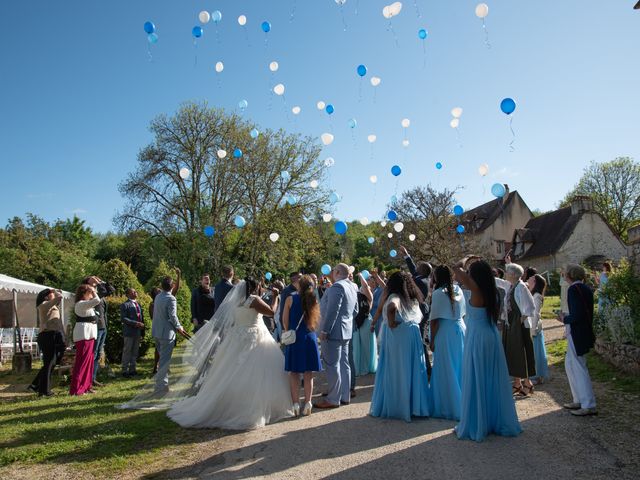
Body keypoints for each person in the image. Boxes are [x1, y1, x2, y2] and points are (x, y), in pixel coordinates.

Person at [167, 278, 294, 429]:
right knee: (255, 369)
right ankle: (250, 406)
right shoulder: (253, 300)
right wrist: (275, 297)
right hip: (253, 336)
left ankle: (229, 401)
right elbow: (271, 312)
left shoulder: (236, 302)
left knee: (232, 369)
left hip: (237, 336)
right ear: (254, 287)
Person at [453, 259, 522, 441]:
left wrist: (465, 260)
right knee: (491, 378)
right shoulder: (495, 292)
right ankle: (492, 418)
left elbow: (456, 268)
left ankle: (478, 422)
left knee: (477, 377)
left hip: (477, 337)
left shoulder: (476, 289)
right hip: (490, 335)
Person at [370, 272, 430, 422]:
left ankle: (399, 405)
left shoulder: (395, 296)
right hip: (412, 334)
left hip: (398, 335)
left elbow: (391, 306)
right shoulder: (412, 298)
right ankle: (414, 405)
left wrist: (390, 321)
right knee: (412, 368)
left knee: (397, 369)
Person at [315, 263, 358, 409]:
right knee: (344, 364)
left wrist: (325, 331)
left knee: (332, 365)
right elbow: (355, 311)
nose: (332, 273)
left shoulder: (337, 287)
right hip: (346, 330)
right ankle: (344, 396)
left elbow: (332, 311)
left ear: (338, 272)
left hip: (333, 332)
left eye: (333, 270)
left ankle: (333, 399)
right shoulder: (353, 286)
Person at [556, 264, 597, 416]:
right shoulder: (583, 288)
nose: (563, 274)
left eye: (565, 273)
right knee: (571, 365)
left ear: (570, 275)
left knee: (578, 367)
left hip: (577, 332)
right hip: (581, 331)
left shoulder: (574, 289)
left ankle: (588, 404)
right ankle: (579, 399)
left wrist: (564, 318)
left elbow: (577, 314)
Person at [428, 265, 466, 420]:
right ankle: (463, 401)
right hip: (460, 328)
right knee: (459, 365)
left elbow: (435, 320)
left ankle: (448, 405)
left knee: (446, 367)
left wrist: (432, 340)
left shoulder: (438, 294)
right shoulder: (459, 290)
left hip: (445, 331)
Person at [282, 275, 322, 417]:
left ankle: (295, 405)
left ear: (299, 285)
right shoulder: (314, 300)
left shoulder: (290, 299)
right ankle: (308, 402)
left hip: (295, 338)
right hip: (309, 337)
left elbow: (285, 322)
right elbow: (316, 323)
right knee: (308, 373)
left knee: (294, 373)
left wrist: (289, 331)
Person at [503, 263, 537, 396]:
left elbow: (530, 307)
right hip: (511, 324)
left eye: (507, 272)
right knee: (514, 353)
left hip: (519, 326)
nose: (505, 274)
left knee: (522, 352)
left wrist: (519, 321)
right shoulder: (511, 286)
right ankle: (518, 383)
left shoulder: (521, 287)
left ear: (512, 275)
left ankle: (528, 383)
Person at [152, 276, 187, 394]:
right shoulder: (171, 298)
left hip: (157, 332)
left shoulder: (158, 297)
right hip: (166, 334)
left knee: (162, 360)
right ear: (172, 286)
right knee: (164, 362)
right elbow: (172, 316)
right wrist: (179, 327)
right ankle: (161, 386)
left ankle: (161, 385)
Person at [29, 288, 66, 397]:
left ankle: (36, 385)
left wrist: (64, 335)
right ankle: (44, 391)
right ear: (46, 296)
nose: (53, 295)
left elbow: (58, 322)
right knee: (49, 363)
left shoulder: (53, 306)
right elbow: (59, 297)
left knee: (52, 362)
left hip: (55, 335)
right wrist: (55, 292)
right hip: (46, 335)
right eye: (51, 294)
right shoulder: (43, 305)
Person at [400, 246, 432, 371]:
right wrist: (406, 255)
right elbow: (413, 269)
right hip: (417, 312)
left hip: (419, 314)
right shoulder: (421, 278)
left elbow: (412, 275)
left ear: (422, 271)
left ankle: (427, 368)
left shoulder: (421, 282)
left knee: (420, 340)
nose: (416, 268)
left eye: (418, 267)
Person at [81, 276, 115, 388]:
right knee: (93, 353)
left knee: (97, 353)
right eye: (92, 279)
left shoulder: (97, 292)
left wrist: (103, 281)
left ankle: (92, 378)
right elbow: (104, 291)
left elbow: (111, 290)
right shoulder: (89, 294)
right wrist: (98, 283)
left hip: (103, 326)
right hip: (96, 327)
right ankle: (88, 379)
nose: (95, 279)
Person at [70, 284, 102, 396]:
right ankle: (77, 388)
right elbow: (97, 300)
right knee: (81, 363)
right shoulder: (80, 304)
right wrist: (94, 291)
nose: (91, 295)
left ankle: (86, 386)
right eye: (89, 293)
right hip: (83, 335)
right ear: (83, 294)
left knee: (89, 363)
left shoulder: (86, 305)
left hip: (90, 335)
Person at [352, 272, 378, 376]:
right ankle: (358, 366)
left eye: (370, 281)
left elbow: (365, 286)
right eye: (368, 280)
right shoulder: (358, 292)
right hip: (357, 321)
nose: (368, 283)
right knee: (357, 346)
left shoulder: (369, 295)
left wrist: (360, 275)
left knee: (366, 346)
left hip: (366, 322)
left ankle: (367, 366)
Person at [527, 274, 549, 384]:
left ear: (535, 281)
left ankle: (536, 375)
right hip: (531, 327)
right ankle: (534, 375)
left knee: (536, 352)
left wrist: (533, 330)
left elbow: (536, 314)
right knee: (533, 352)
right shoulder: (532, 294)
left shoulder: (537, 296)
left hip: (534, 328)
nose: (528, 279)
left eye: (531, 278)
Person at [120, 288, 145, 378]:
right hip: (129, 332)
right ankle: (124, 370)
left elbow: (141, 317)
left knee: (135, 351)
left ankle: (132, 369)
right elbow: (124, 318)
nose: (135, 292)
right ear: (128, 294)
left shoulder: (138, 304)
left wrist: (142, 331)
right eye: (133, 292)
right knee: (127, 351)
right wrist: (135, 323)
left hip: (137, 332)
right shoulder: (125, 305)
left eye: (135, 291)